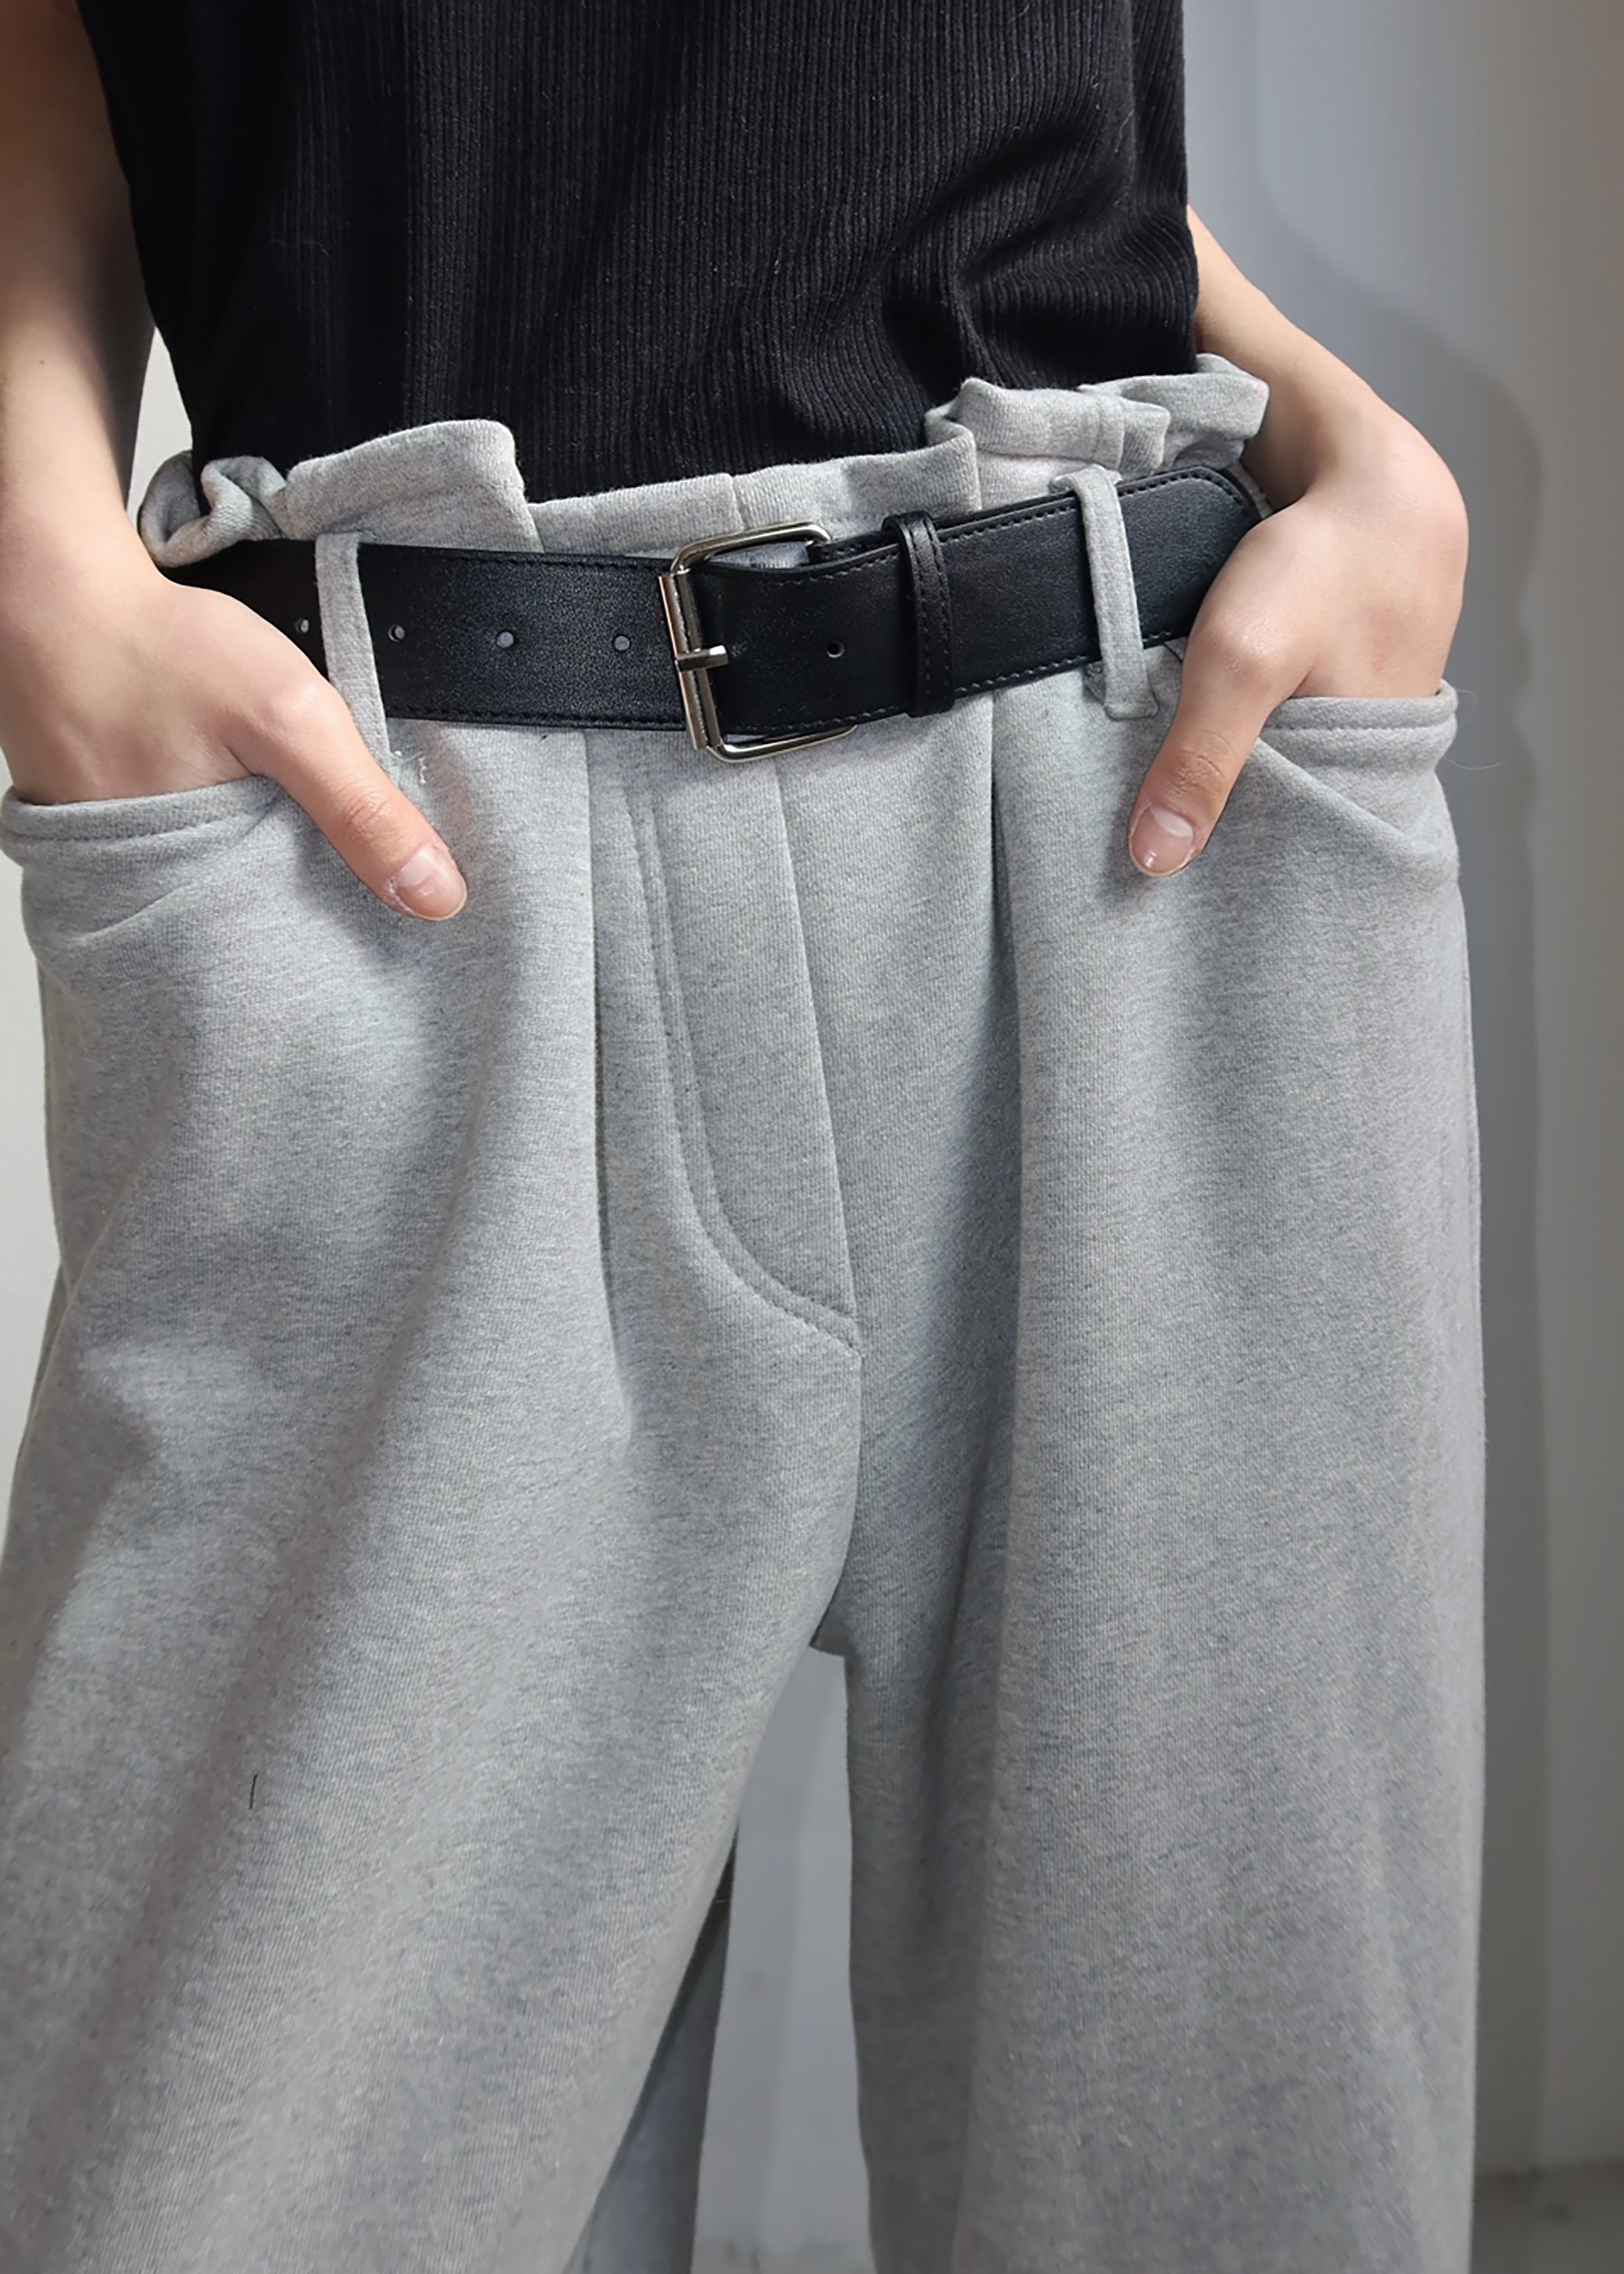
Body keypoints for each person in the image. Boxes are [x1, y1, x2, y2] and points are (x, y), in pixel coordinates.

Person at [0, 2, 1482, 2271]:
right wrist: (35, 541)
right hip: (404, 849)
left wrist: (1344, 435)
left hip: (1147, 780)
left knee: (1232, 2199)